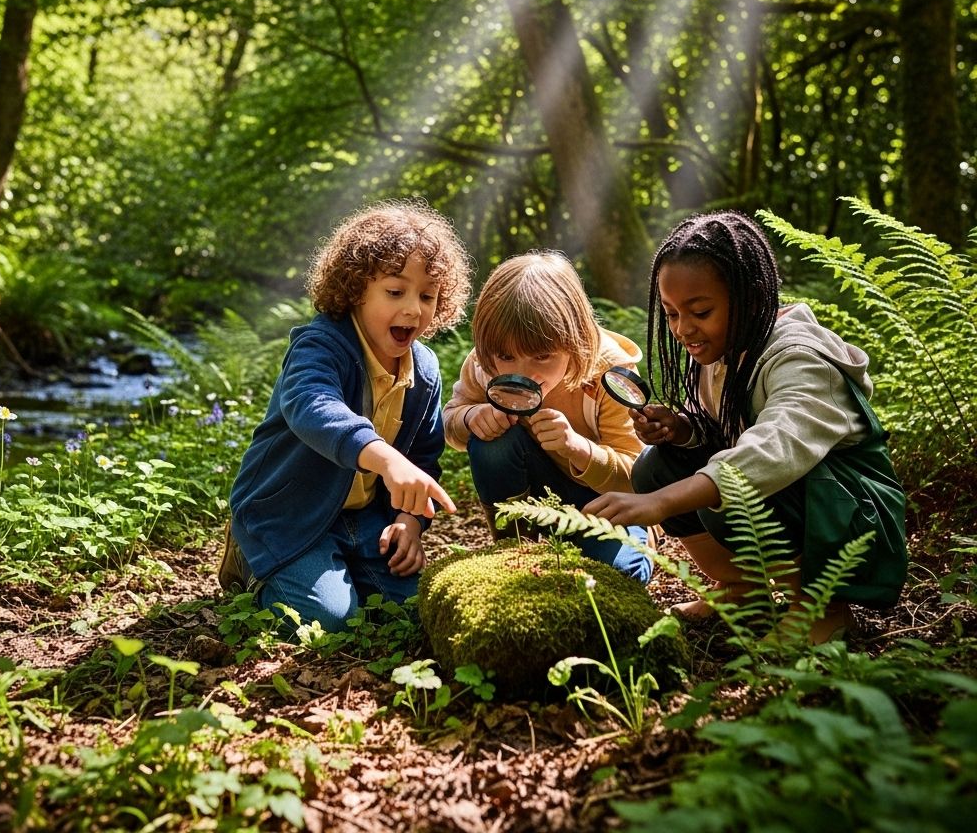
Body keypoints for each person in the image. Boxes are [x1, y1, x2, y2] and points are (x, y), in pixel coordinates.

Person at [582, 210, 907, 643]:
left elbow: (774, 451)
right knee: (657, 467)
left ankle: (823, 607)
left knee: (734, 487)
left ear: (750, 298)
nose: (683, 329)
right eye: (672, 313)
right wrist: (683, 429)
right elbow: (724, 429)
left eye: (700, 311)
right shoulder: (724, 348)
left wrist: (660, 504)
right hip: (804, 500)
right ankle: (741, 589)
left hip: (851, 516)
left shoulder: (801, 359)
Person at [228, 200, 472, 633]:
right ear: (356, 289)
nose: (414, 309)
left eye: (427, 295)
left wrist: (410, 521)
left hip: (366, 518)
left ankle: (344, 564)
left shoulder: (425, 370)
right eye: (395, 292)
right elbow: (312, 405)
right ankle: (251, 555)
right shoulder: (320, 345)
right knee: (330, 622)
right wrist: (387, 459)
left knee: (413, 610)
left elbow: (424, 457)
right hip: (288, 514)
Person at [443, 251, 654, 583]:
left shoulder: (609, 375)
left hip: (603, 504)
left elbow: (637, 476)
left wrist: (578, 448)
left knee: (620, 574)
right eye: (507, 356)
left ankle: (636, 541)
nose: (523, 373)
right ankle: (513, 549)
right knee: (492, 444)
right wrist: (470, 417)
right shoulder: (486, 365)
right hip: (536, 493)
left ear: (575, 340)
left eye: (542, 356)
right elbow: (451, 423)